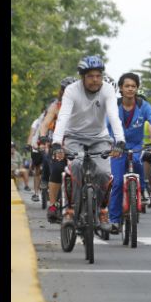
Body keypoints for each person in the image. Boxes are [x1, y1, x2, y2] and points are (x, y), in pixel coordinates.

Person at [50, 55, 125, 232]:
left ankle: (102, 210)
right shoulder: (71, 90)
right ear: (83, 76)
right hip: (74, 137)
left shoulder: (107, 90)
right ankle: (70, 209)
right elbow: (63, 117)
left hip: (99, 138)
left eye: (98, 75)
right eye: (91, 76)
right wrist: (56, 143)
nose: (95, 80)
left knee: (105, 173)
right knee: (75, 166)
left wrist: (120, 140)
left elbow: (114, 117)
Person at [107, 73, 151, 234]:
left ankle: (142, 191)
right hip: (117, 147)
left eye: (133, 86)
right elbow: (105, 126)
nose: (130, 89)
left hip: (136, 146)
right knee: (117, 182)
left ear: (137, 88)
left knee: (139, 165)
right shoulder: (113, 106)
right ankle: (114, 220)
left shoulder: (143, 106)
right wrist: (106, 143)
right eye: (127, 86)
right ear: (121, 88)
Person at [38, 76, 77, 222]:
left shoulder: (84, 105)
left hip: (79, 144)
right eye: (65, 90)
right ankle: (53, 206)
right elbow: (45, 123)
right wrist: (43, 137)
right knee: (56, 169)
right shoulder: (56, 106)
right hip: (59, 145)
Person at [26, 106, 47, 200]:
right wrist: (29, 144)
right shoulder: (37, 121)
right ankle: (36, 193)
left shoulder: (54, 121)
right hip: (36, 146)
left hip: (48, 146)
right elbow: (32, 134)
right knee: (37, 170)